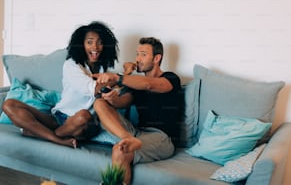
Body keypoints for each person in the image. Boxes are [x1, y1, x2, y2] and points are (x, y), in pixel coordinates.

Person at [1, 21, 119, 148]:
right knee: (9, 104)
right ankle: (57, 139)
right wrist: (117, 79)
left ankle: (41, 134)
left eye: (100, 42)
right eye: (89, 42)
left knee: (83, 115)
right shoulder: (72, 65)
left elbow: (116, 93)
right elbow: (91, 88)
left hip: (84, 124)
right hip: (59, 117)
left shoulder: (105, 72)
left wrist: (119, 79)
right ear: (81, 45)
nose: (95, 47)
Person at [92, 37, 181, 185]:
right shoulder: (136, 85)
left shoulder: (170, 78)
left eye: (143, 54)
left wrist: (120, 77)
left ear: (157, 58)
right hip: (137, 133)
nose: (138, 59)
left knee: (120, 150)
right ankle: (127, 138)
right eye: (137, 54)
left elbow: (148, 85)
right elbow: (121, 102)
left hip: (162, 138)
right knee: (100, 103)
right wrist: (112, 98)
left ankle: (127, 142)